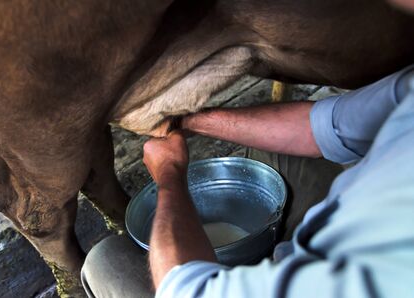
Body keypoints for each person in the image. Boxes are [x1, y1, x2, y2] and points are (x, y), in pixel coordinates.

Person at [81, 3, 414, 297]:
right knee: (277, 160)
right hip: (339, 224)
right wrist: (187, 120)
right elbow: (323, 128)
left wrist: (170, 177)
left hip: (311, 269)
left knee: (106, 263)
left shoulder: (393, 251)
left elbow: (185, 289)